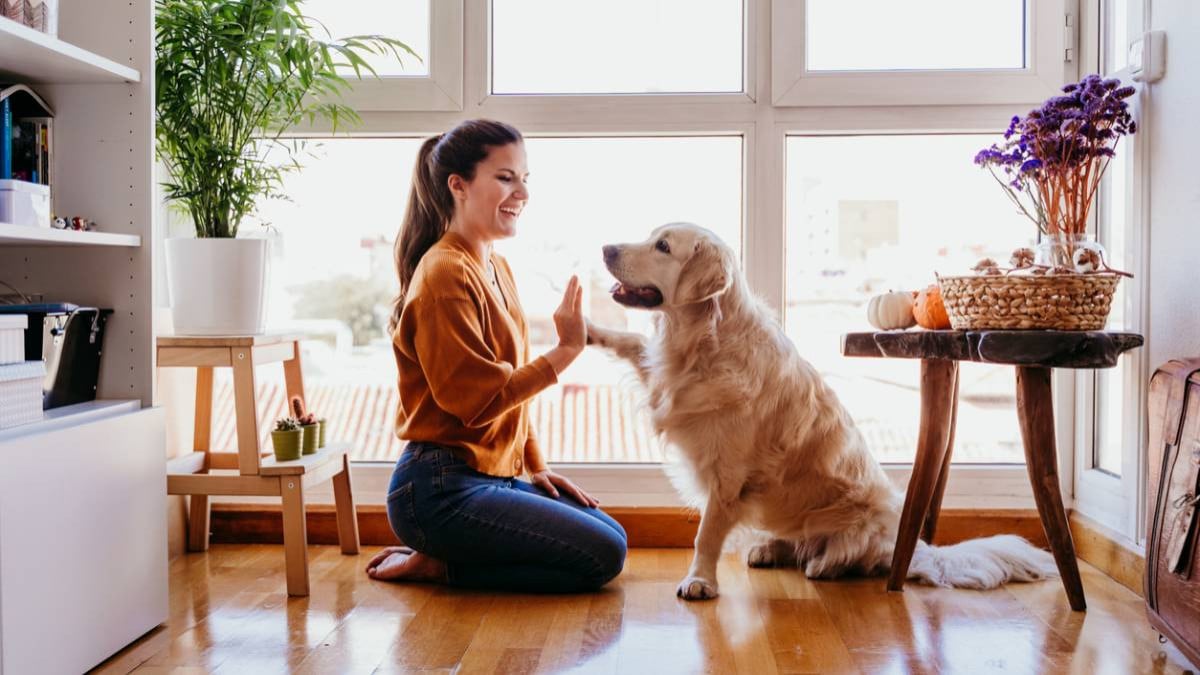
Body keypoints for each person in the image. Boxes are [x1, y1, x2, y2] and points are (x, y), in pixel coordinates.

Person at [365, 119, 627, 592]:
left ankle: (447, 557)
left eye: (525, 179)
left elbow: (510, 399)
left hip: (490, 475)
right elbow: (478, 403)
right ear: (458, 186)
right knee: (603, 556)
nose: (522, 193)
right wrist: (567, 350)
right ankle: (439, 564)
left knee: (612, 535)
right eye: (506, 177)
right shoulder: (444, 274)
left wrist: (535, 464)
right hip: (437, 488)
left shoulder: (495, 265)